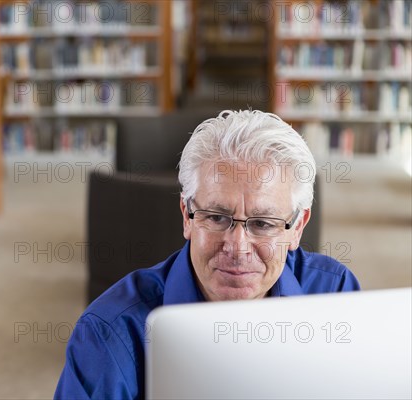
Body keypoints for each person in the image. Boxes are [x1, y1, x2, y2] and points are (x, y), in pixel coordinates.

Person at [54, 110, 360, 399]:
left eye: (263, 224)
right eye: (215, 218)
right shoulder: (108, 332)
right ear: (187, 216)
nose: (237, 248)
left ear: (297, 228)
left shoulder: (334, 293)